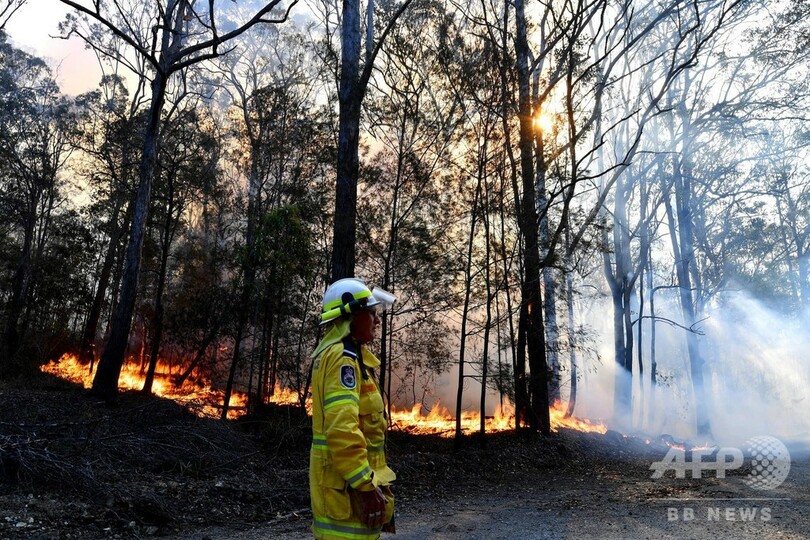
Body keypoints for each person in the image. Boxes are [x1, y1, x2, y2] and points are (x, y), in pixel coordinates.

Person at [309, 278, 397, 539]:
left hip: (347, 489)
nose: (377, 321)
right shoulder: (342, 359)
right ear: (353, 315)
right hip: (347, 493)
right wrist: (365, 486)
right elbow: (342, 430)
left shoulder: (352, 357)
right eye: (371, 313)